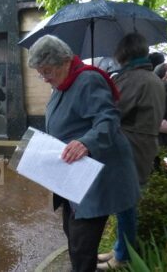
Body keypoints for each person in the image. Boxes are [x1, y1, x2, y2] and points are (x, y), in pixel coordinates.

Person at [27, 35, 140, 272]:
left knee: (81, 243)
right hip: (75, 176)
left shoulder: (87, 80)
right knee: (73, 234)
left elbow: (108, 119)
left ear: (65, 61)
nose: (45, 78)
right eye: (41, 73)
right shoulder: (62, 84)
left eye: (47, 71)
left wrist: (86, 142)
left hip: (95, 177)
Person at [96, 33, 166, 270]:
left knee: (125, 204)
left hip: (131, 148)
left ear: (123, 54)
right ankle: (119, 248)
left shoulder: (134, 79)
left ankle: (123, 257)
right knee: (126, 203)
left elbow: (113, 110)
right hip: (144, 146)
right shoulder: (151, 77)